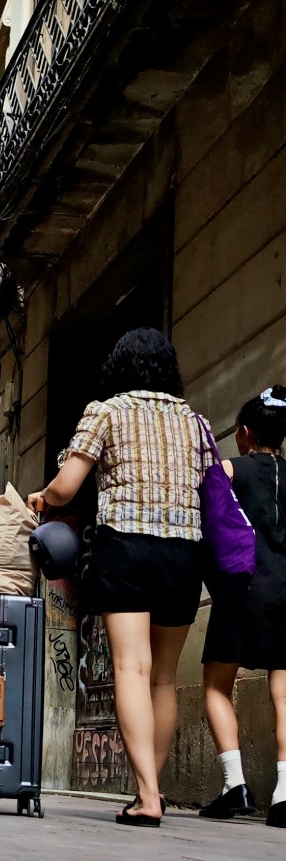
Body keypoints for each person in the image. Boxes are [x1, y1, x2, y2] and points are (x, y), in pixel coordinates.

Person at [28, 327, 208, 828]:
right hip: (184, 551)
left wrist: (43, 497)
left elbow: (67, 487)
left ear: (119, 367)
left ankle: (147, 796)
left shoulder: (105, 411)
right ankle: (150, 788)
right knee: (164, 677)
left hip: (126, 547)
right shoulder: (194, 421)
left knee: (131, 667)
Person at [200, 383, 286, 826]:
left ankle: (235, 784)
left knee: (216, 685)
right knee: (284, 691)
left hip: (242, 591)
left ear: (246, 432)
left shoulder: (229, 470)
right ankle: (285, 792)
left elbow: (210, 525)